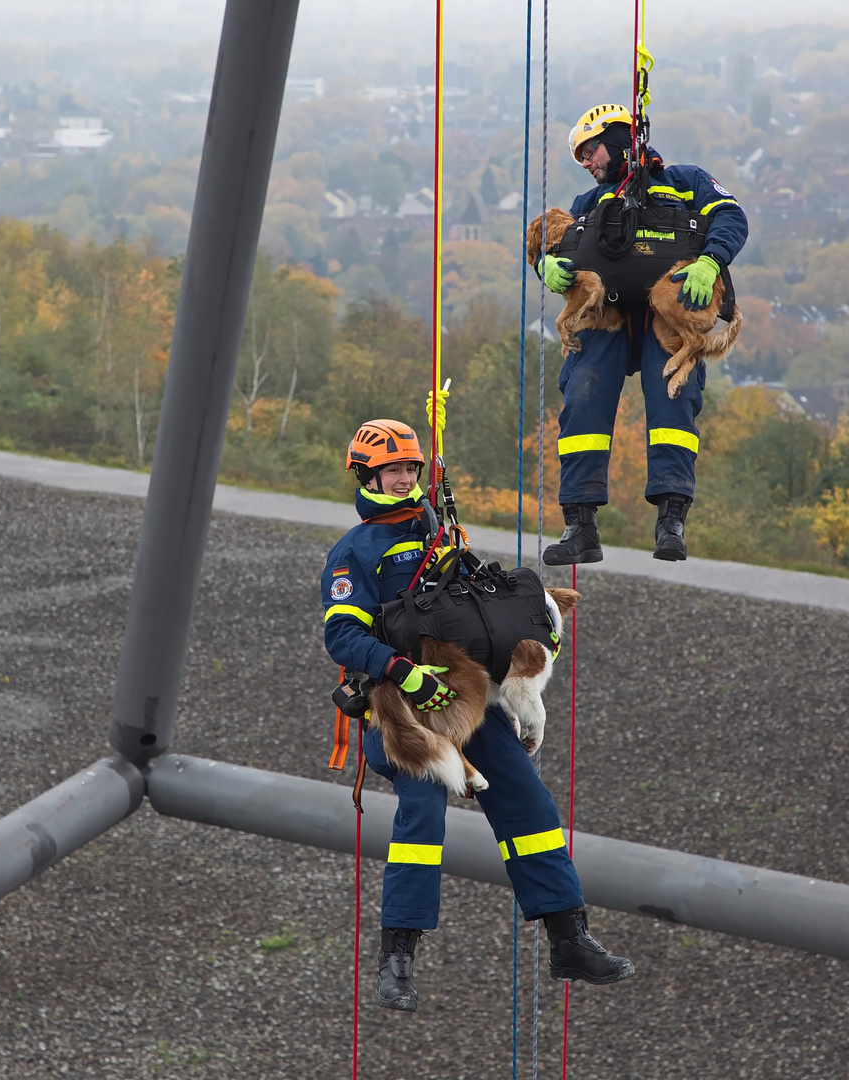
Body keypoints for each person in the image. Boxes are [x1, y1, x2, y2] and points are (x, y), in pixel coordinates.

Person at [322, 418, 634, 1011]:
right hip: (402, 706)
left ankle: (569, 938)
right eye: (391, 470)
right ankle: (399, 956)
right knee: (421, 814)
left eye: (410, 469)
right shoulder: (354, 553)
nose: (403, 478)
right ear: (366, 475)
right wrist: (402, 672)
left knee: (528, 802)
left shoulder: (440, 535)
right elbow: (342, 637)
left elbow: (477, 611)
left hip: (465, 695)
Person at [535, 103, 749, 564]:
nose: (587, 163)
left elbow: (732, 216)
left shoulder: (685, 182)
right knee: (583, 395)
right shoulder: (587, 205)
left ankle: (671, 521)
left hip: (667, 317)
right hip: (608, 317)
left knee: (674, 397)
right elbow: (555, 246)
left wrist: (711, 260)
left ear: (618, 141)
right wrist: (542, 266)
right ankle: (581, 526)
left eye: (590, 152)